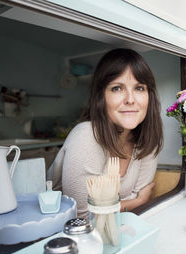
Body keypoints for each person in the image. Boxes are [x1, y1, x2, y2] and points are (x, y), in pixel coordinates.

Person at [47, 48, 163, 217]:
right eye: (117, 88)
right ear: (101, 97)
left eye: (139, 88)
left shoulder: (147, 141)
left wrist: (125, 204)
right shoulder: (86, 136)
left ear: (149, 96)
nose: (130, 99)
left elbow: (128, 206)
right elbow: (84, 216)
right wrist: (137, 202)